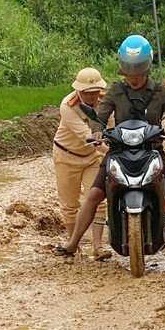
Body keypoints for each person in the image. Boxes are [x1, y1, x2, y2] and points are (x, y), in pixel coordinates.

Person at [53, 35, 165, 268]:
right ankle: (73, 243)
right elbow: (100, 117)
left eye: (137, 73)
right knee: (94, 195)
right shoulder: (115, 91)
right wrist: (97, 131)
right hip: (118, 151)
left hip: (153, 151)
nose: (133, 78)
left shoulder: (160, 91)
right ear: (123, 72)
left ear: (147, 68)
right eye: (129, 73)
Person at [52, 68, 111, 261]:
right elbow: (87, 135)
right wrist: (112, 150)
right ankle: (73, 244)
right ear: (79, 91)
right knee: (70, 204)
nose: (92, 95)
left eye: (95, 91)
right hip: (67, 156)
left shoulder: (105, 101)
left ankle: (98, 246)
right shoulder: (68, 106)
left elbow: (112, 126)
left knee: (97, 199)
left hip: (92, 156)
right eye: (87, 92)